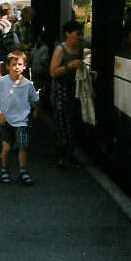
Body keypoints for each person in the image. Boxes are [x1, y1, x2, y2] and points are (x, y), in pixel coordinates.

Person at [0, 50, 40, 186]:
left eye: (19, 64)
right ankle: (4, 169)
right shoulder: (2, 82)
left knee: (23, 146)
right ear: (8, 66)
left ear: (24, 66)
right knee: (6, 147)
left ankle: (23, 171)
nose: (16, 67)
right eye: (13, 64)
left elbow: (34, 99)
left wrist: (36, 110)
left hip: (22, 120)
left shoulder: (28, 84)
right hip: (6, 120)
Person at [49, 20, 85, 168]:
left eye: (81, 34)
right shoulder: (60, 49)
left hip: (75, 90)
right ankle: (63, 157)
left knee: (74, 124)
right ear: (68, 34)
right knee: (63, 125)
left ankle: (70, 156)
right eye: (77, 34)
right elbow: (52, 72)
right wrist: (69, 66)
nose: (80, 36)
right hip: (61, 91)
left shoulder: (80, 48)